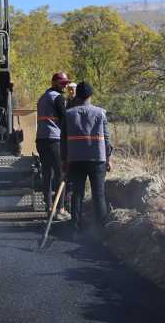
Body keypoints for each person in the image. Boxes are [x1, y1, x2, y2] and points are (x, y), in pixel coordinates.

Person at [61, 82, 112, 232]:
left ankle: (75, 228)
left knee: (77, 194)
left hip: (75, 160)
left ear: (77, 95)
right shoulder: (101, 113)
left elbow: (63, 141)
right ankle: (101, 230)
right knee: (99, 194)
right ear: (90, 95)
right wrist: (108, 159)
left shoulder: (69, 114)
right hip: (97, 160)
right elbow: (107, 139)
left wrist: (64, 161)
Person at [36, 72, 72, 221]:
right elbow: (65, 119)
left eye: (65, 83)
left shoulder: (42, 97)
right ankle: (60, 209)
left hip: (41, 139)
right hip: (54, 139)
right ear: (54, 82)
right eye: (62, 83)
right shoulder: (58, 98)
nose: (64, 85)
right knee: (60, 173)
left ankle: (49, 206)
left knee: (47, 172)